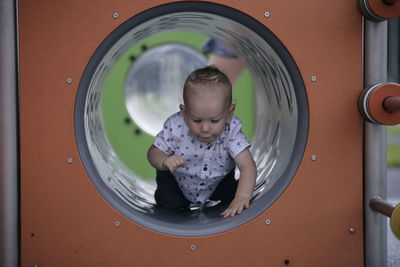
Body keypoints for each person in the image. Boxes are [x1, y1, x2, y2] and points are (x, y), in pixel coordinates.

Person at [147, 66, 256, 218]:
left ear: (228, 114)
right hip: (178, 182)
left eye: (214, 120)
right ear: (185, 113)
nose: (205, 128)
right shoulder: (176, 126)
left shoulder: (231, 131)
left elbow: (247, 166)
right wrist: (164, 160)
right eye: (196, 120)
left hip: (218, 181)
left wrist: (242, 197)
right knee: (168, 203)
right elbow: (153, 152)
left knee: (230, 193)